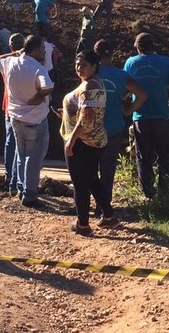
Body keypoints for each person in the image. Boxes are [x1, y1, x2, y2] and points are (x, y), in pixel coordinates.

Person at [57, 49, 119, 234]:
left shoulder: (91, 86)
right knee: (92, 179)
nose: (79, 68)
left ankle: (82, 224)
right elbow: (85, 113)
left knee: (80, 183)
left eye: (84, 65)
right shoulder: (90, 85)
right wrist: (67, 115)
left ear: (94, 66)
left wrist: (72, 140)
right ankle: (109, 217)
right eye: (77, 64)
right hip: (92, 140)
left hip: (83, 142)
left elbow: (87, 119)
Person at [0, 35, 54, 207]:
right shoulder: (37, 69)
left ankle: (20, 188)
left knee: (21, 154)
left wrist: (11, 54)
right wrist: (40, 96)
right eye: (42, 48)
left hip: (15, 118)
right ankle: (30, 195)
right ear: (34, 49)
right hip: (34, 119)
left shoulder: (10, 63)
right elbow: (48, 87)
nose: (43, 51)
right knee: (33, 158)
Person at [123, 32, 169, 199]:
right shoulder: (166, 62)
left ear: (137, 47)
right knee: (164, 155)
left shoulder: (130, 63)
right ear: (153, 46)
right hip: (162, 116)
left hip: (140, 118)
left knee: (143, 156)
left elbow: (122, 86)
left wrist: (127, 108)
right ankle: (165, 195)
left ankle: (149, 195)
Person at [94, 40, 147, 214]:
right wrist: (128, 111)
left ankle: (92, 205)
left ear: (95, 54)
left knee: (91, 167)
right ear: (112, 55)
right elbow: (142, 95)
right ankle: (104, 206)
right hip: (114, 126)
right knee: (108, 168)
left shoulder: (90, 73)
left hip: (93, 127)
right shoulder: (121, 75)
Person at [0, 33, 27, 194]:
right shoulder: (29, 63)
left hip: (9, 107)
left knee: (10, 141)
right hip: (24, 109)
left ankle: (9, 175)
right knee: (22, 146)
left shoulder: (6, 62)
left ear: (11, 47)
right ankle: (17, 181)